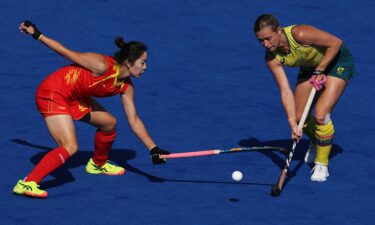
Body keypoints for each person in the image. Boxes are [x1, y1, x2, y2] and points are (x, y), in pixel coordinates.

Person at [13, 20, 170, 198]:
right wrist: (37, 34)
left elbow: (133, 120)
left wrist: (153, 149)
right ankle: (27, 183)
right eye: (142, 62)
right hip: (53, 93)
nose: (145, 67)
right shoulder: (100, 65)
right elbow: (65, 52)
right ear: (128, 62)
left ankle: (97, 164)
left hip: (75, 97)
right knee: (70, 146)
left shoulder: (126, 86)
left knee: (109, 123)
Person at [253, 14, 354, 182]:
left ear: (279, 31)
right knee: (300, 117)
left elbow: (336, 43)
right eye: (261, 41)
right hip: (311, 67)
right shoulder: (271, 58)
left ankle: (322, 164)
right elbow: (285, 91)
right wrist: (292, 122)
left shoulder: (299, 34)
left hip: (337, 61)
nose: (266, 44)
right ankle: (318, 141)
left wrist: (321, 70)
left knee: (321, 114)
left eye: (268, 38)